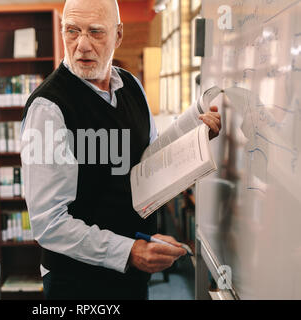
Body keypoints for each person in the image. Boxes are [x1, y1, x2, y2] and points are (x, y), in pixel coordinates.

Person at [21, 0, 221, 300]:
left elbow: (148, 159)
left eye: (96, 32)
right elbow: (48, 222)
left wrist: (197, 128)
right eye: (72, 31)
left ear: (118, 35)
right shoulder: (48, 108)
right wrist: (129, 251)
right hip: (78, 283)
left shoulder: (131, 86)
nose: (81, 46)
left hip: (132, 271)